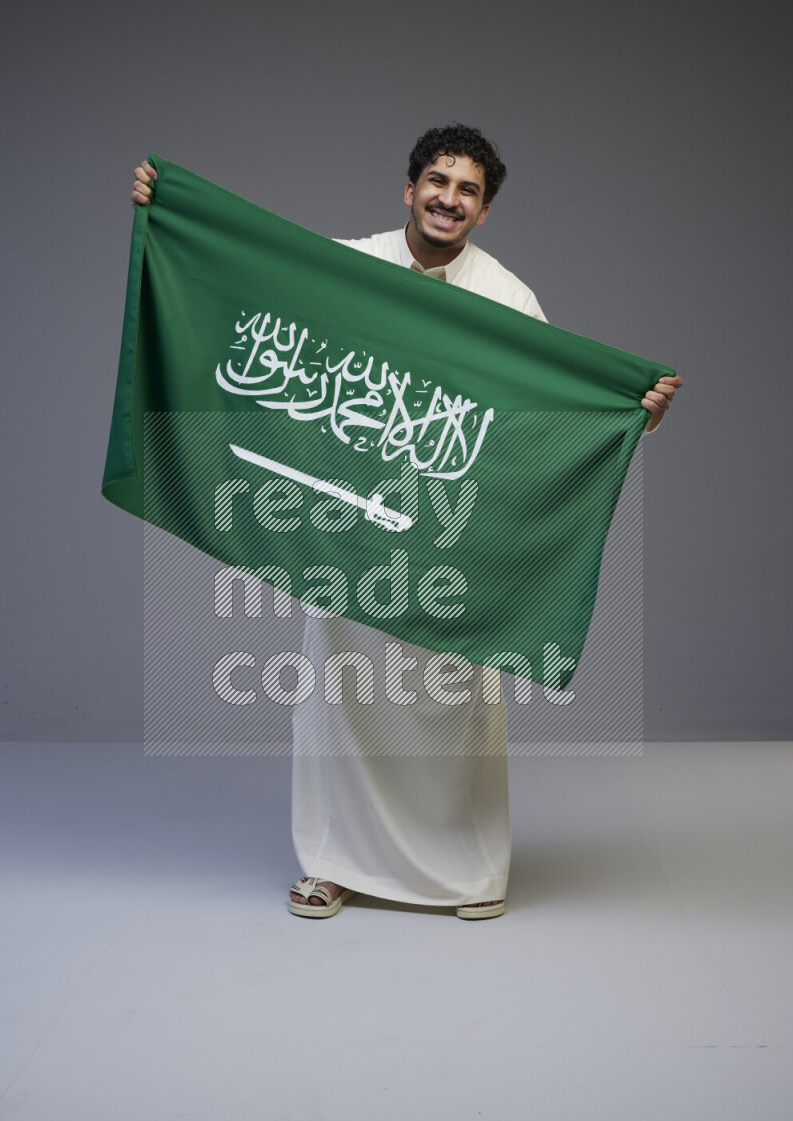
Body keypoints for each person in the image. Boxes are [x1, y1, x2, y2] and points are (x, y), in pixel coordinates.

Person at [131, 125, 682, 920]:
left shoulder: (508, 300)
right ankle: (329, 862)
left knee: (456, 701)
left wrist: (635, 417)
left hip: (449, 534)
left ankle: (467, 872)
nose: (447, 199)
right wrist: (170, 214)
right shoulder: (347, 265)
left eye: (466, 191)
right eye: (436, 181)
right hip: (347, 528)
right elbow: (253, 287)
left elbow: (548, 418)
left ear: (484, 211)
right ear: (408, 188)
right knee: (340, 694)